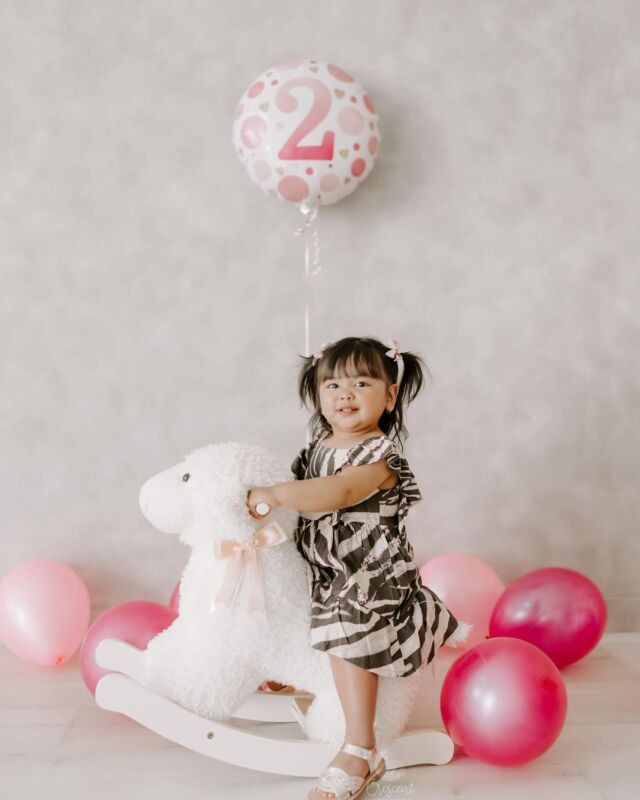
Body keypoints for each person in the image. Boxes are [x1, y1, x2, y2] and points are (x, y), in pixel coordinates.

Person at [246, 336, 466, 800]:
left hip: (370, 574)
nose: (344, 394)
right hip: (327, 568)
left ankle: (360, 749)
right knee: (285, 600)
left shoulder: (380, 455)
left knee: (347, 628)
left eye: (361, 383)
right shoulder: (316, 448)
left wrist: (277, 493)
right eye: (332, 384)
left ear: (389, 396)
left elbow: (340, 493)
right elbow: (307, 500)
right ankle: (289, 675)